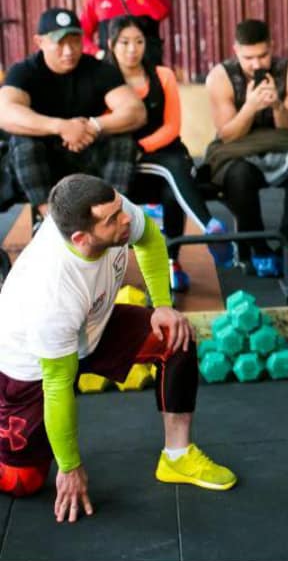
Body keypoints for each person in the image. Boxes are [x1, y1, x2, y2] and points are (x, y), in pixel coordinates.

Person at [0, 173, 236, 520]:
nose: (126, 218)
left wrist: (162, 305)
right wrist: (69, 467)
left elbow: (150, 237)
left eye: (120, 208)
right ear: (81, 238)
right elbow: (57, 385)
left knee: (175, 336)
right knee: (22, 482)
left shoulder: (110, 209)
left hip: (93, 326)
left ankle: (177, 456)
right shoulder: (51, 293)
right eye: (113, 219)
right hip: (31, 363)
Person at [105, 15, 235, 292]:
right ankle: (208, 225)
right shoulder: (104, 79)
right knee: (172, 169)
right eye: (125, 42)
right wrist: (131, 150)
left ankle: (175, 260)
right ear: (111, 45)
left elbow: (172, 127)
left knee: (171, 187)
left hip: (161, 152)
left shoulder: (162, 75)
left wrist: (142, 147)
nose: (132, 49)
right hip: (124, 162)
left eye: (138, 41)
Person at [0, 8, 146, 218]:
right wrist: (61, 127)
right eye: (60, 43)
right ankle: (50, 219)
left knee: (123, 140)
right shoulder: (24, 71)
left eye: (75, 41)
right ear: (39, 42)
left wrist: (94, 125)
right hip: (41, 162)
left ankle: (108, 215)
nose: (69, 51)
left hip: (87, 153)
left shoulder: (99, 69)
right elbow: (5, 113)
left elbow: (136, 111)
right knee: (23, 141)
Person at [204, 19, 288, 277]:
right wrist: (250, 107)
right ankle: (259, 249)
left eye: (263, 55)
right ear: (236, 51)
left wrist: (277, 105)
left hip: (281, 144)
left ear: (272, 46)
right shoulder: (219, 77)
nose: (256, 64)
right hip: (239, 150)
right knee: (238, 177)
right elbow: (227, 135)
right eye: (248, 58)